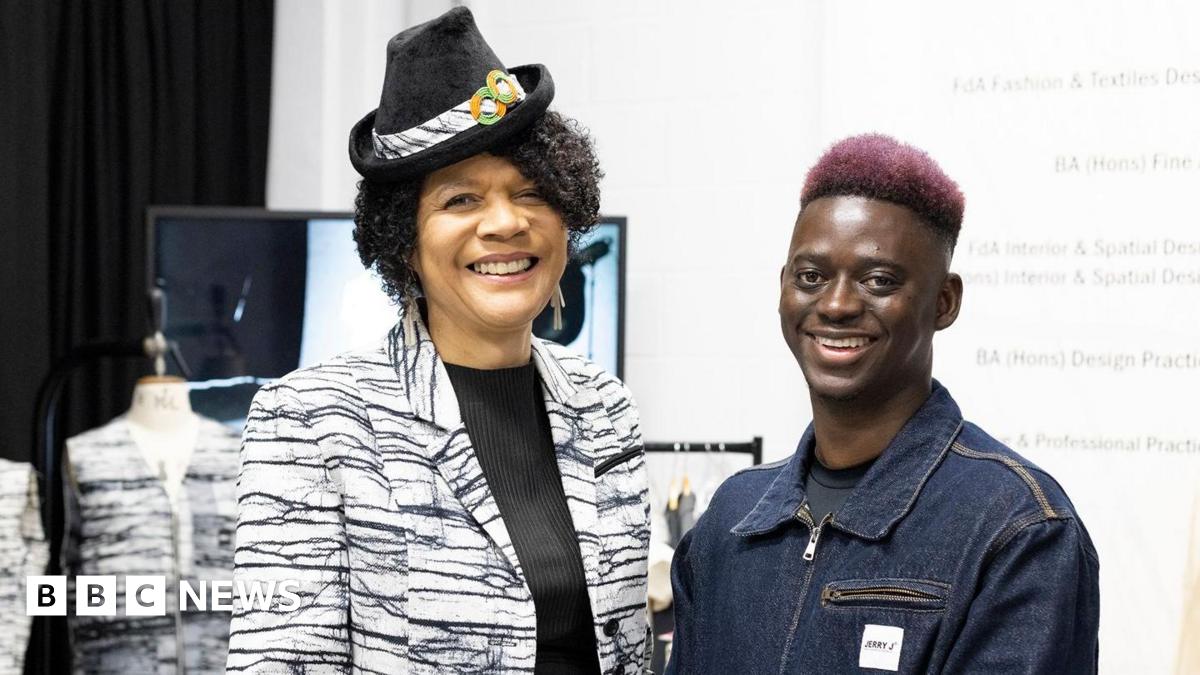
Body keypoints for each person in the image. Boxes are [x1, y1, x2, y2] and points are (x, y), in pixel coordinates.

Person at [226, 8, 649, 674]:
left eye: (531, 192)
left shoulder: (604, 407)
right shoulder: (312, 419)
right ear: (406, 243)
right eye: (461, 200)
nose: (506, 222)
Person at [666, 134, 1099, 673]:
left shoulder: (1016, 528)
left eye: (878, 280)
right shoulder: (731, 521)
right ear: (783, 287)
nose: (837, 304)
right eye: (811, 277)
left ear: (944, 301)